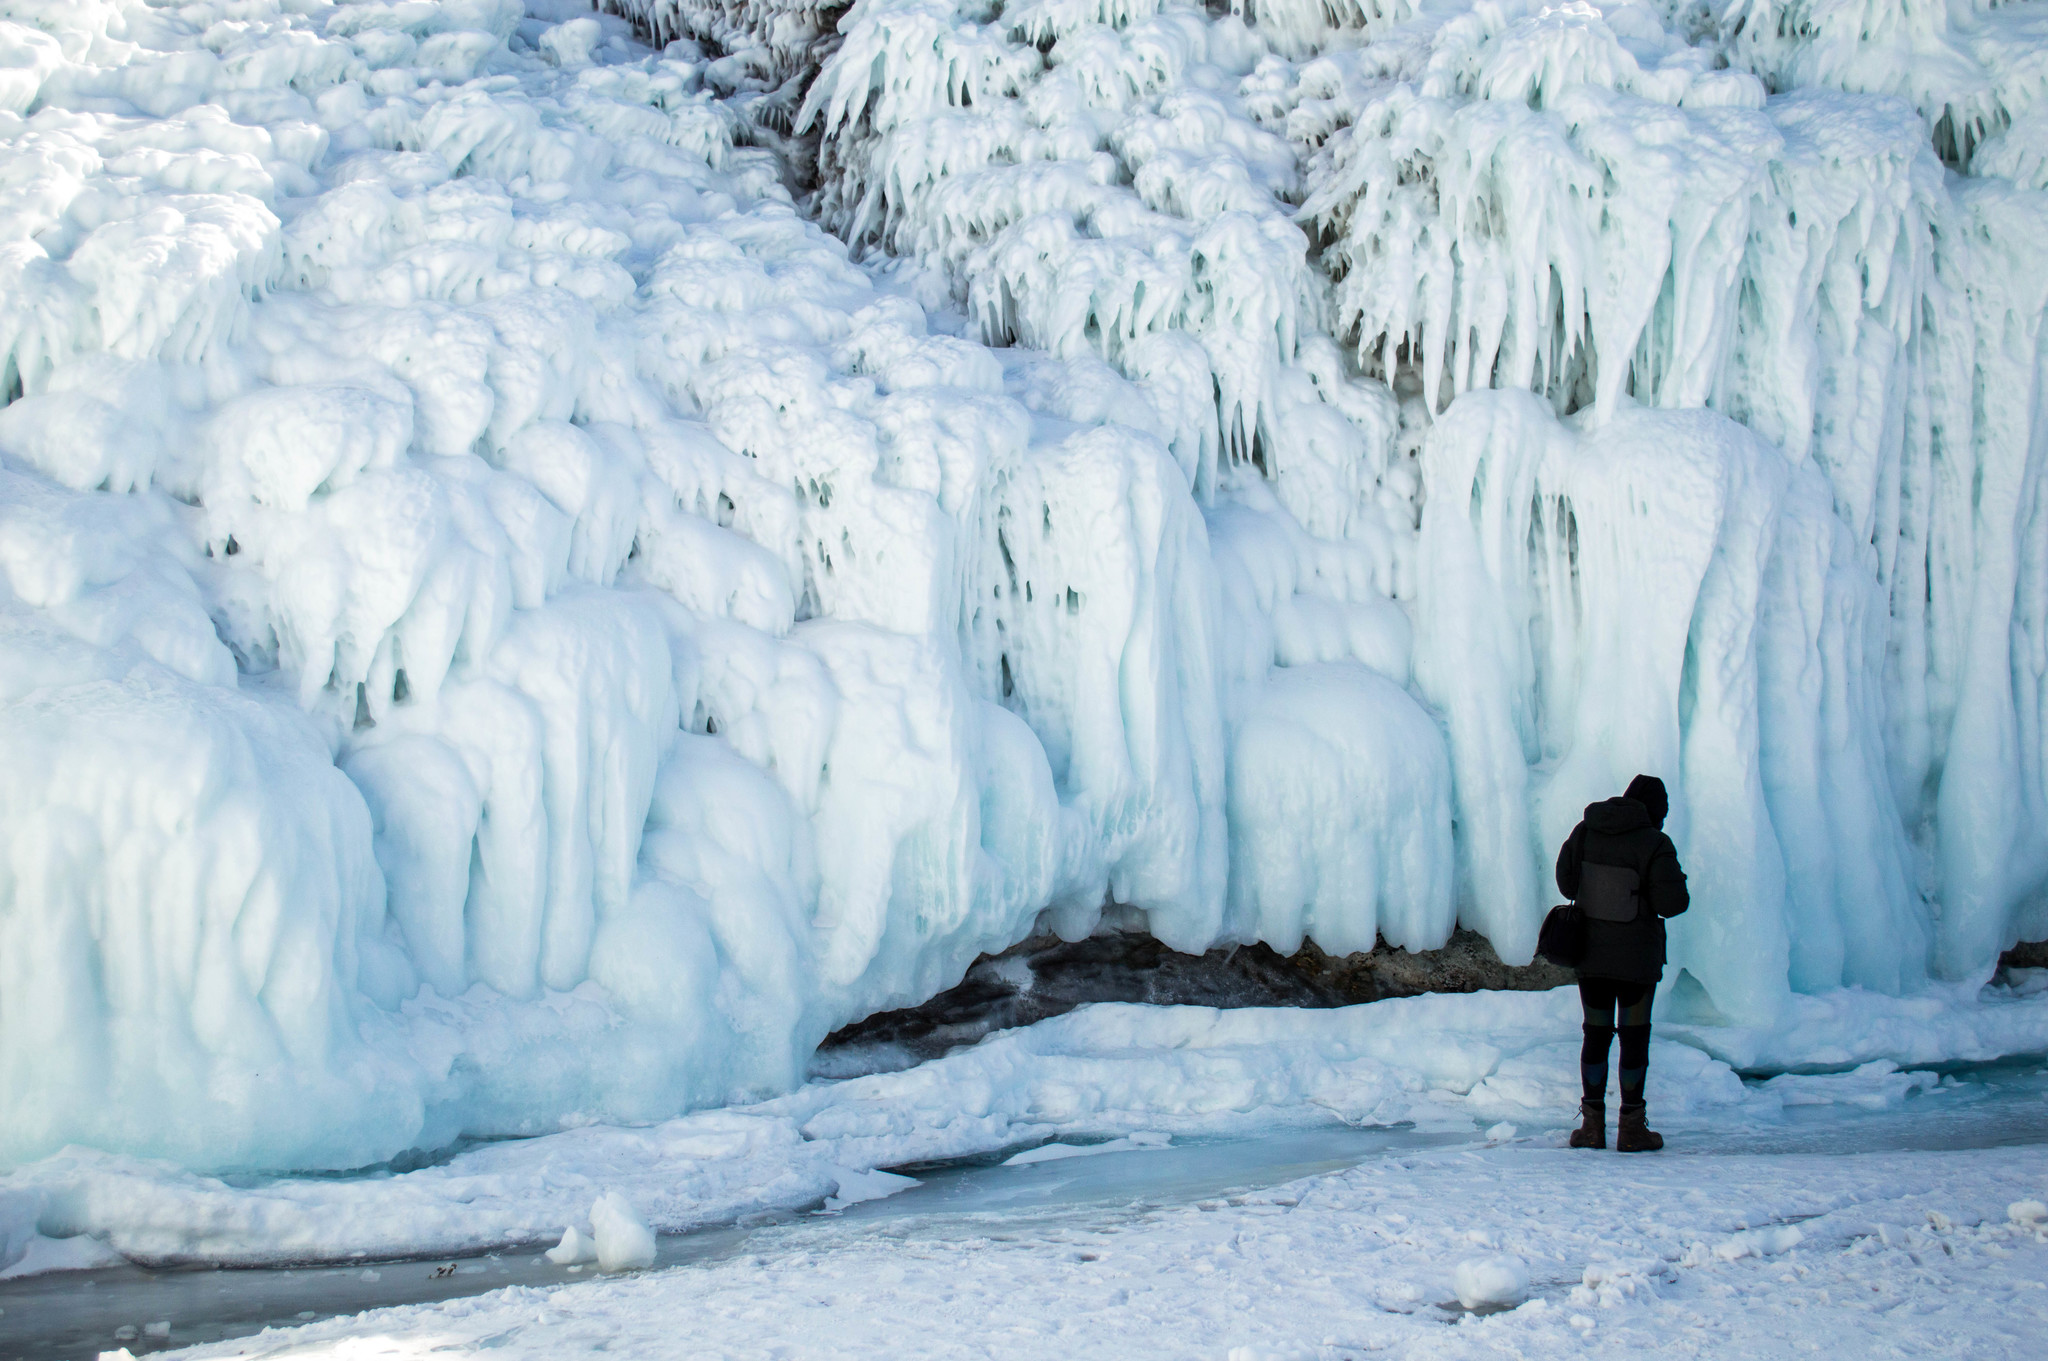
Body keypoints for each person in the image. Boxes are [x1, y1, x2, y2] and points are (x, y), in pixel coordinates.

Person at [1554, 773, 1688, 1152]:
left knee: (1595, 1034)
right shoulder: (1655, 843)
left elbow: (1566, 884)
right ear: (1656, 810)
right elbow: (1672, 904)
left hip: (1591, 957)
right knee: (1634, 1038)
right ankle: (1632, 1128)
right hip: (1637, 962)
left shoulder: (1587, 830)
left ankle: (1592, 1127)